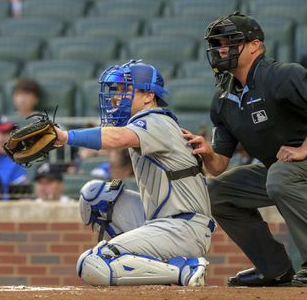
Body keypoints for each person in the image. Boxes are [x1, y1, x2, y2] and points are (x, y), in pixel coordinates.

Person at [190, 11, 307, 288]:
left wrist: (305, 148)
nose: (222, 49)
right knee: (217, 191)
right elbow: (218, 165)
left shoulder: (280, 74)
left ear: (255, 45)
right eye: (217, 43)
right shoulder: (222, 99)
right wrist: (207, 151)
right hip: (287, 173)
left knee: (281, 173)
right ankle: (275, 269)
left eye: (230, 41)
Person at [50, 60, 210, 286]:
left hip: (183, 228)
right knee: (96, 196)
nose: (117, 98)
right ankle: (141, 265)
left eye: (126, 91)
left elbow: (116, 138)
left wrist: (67, 137)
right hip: (162, 222)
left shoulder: (156, 119)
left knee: (92, 263)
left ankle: (185, 270)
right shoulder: (146, 121)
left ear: (148, 96)